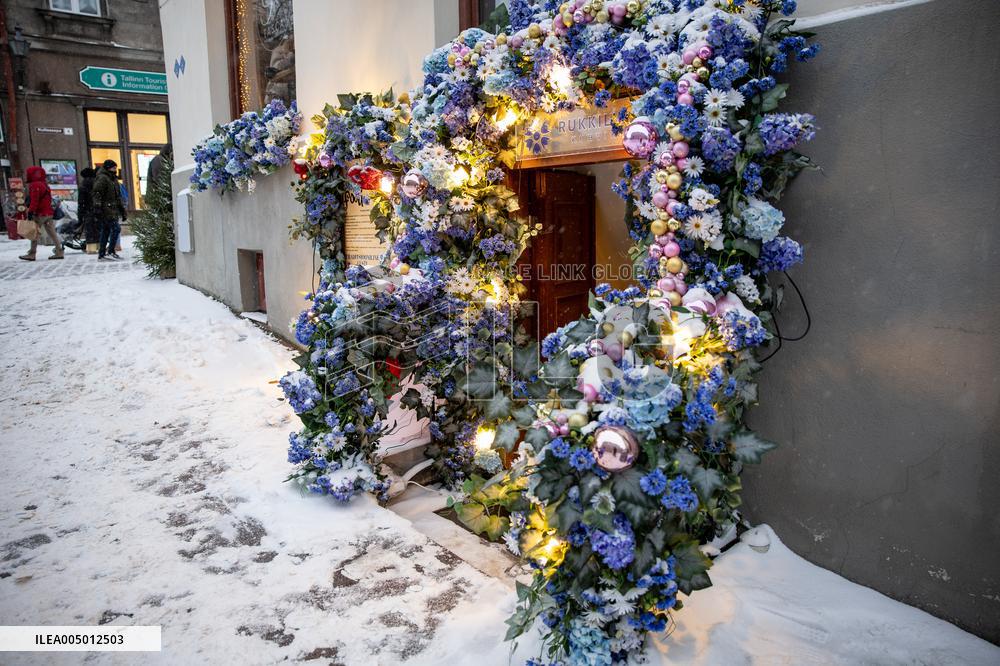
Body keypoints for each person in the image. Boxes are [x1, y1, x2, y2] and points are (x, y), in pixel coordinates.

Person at [18, 165, 64, 261]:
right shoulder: (44, 184)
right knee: (52, 233)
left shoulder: (34, 185)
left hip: (40, 214)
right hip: (48, 213)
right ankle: (59, 251)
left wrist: (30, 211)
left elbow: (35, 201)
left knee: (33, 233)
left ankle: (32, 254)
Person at [92, 159, 126, 261]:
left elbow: (118, 197)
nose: (115, 169)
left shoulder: (113, 179)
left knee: (106, 231)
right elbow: (97, 193)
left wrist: (122, 211)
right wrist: (97, 207)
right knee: (116, 229)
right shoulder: (103, 178)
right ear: (108, 168)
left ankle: (102, 254)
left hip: (112, 209)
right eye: (113, 167)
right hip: (105, 209)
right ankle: (110, 251)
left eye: (115, 167)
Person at [78, 167, 98, 253]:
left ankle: (91, 249)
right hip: (98, 209)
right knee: (98, 229)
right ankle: (100, 247)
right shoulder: (97, 183)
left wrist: (80, 214)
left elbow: (81, 201)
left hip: (88, 210)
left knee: (89, 230)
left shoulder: (83, 185)